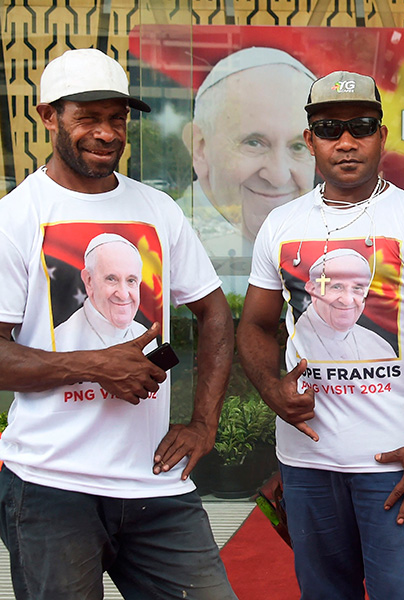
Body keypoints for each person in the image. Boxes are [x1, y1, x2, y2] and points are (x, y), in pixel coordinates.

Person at [0, 48, 236, 599]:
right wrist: (97, 365)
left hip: (155, 484)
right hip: (49, 487)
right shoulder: (18, 218)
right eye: (88, 117)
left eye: (117, 118)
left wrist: (203, 424)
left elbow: (215, 312)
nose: (106, 133)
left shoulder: (157, 209)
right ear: (48, 116)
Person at [237, 70, 404, 600]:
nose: (345, 141)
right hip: (308, 464)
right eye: (329, 128)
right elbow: (254, 325)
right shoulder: (282, 223)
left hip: (396, 465)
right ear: (309, 138)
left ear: (381, 136)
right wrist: (272, 390)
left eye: (360, 127)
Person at [180, 47, 317, 285]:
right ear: (200, 148)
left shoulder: (333, 238)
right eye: (254, 143)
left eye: (298, 147)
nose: (278, 176)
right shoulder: (163, 239)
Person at [53, 233, 154, 351]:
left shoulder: (144, 335)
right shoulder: (60, 344)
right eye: (111, 279)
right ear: (89, 281)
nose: (123, 295)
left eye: (131, 280)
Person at [294, 248, 395, 361]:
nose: (347, 301)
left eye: (357, 288)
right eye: (336, 287)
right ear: (312, 289)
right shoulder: (299, 339)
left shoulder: (379, 347)